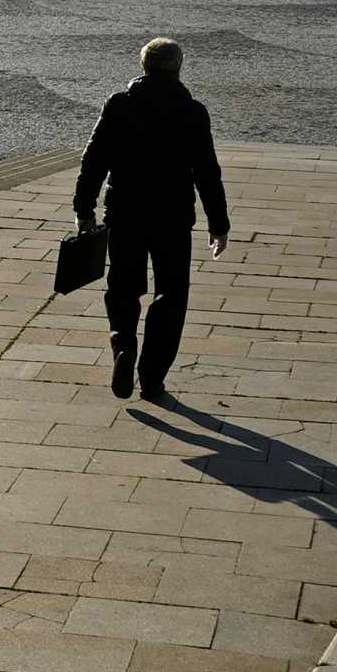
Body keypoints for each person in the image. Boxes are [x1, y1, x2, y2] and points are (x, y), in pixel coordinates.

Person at [73, 36, 230, 400]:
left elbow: (93, 161)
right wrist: (218, 224)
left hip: (124, 212)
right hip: (173, 217)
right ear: (178, 67)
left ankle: (123, 347)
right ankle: (152, 376)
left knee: (123, 286)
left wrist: (84, 209)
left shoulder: (119, 105)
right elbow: (208, 172)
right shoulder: (192, 112)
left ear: (143, 66)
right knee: (171, 294)